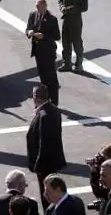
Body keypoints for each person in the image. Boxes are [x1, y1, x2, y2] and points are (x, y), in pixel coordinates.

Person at [26, 85, 66, 213]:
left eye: (33, 95)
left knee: (47, 195)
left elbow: (45, 142)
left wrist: (38, 164)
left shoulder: (46, 114)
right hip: (49, 161)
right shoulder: (50, 109)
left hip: (45, 164)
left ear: (37, 97)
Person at [25, 0, 61, 105]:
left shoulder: (52, 19)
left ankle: (54, 101)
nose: (37, 8)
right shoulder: (33, 15)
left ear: (45, 6)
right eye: (36, 6)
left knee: (51, 77)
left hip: (48, 52)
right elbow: (27, 29)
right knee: (43, 77)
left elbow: (57, 36)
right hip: (38, 52)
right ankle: (46, 99)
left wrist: (44, 36)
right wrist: (29, 32)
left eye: (39, 6)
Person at [58, 0, 88, 73]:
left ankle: (79, 65)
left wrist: (72, 8)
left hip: (76, 21)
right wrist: (62, 8)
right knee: (65, 42)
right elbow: (60, 0)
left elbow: (84, 7)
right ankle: (67, 63)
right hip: (66, 20)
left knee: (76, 42)